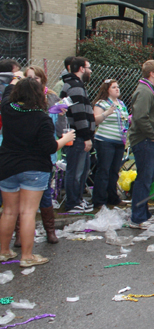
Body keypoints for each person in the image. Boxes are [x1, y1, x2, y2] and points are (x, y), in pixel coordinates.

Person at [0, 78, 75, 266]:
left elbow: (6, 95)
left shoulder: (8, 110)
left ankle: (3, 251)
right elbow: (49, 147)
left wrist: (15, 79)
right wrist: (65, 138)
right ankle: (26, 256)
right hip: (34, 168)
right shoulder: (41, 118)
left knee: (8, 211)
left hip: (7, 166)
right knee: (27, 212)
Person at [14, 66, 64, 245]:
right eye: (29, 78)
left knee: (45, 194)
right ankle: (19, 234)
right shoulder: (19, 101)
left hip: (46, 153)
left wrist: (60, 113)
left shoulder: (51, 98)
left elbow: (58, 128)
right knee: (22, 197)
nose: (32, 81)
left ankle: (50, 231)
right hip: (26, 155)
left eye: (35, 78)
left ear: (42, 79)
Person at [127, 60, 154, 229]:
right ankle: (137, 217)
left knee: (147, 178)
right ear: (152, 74)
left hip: (147, 140)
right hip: (144, 141)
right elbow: (140, 117)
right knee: (144, 178)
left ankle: (144, 213)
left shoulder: (149, 90)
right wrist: (153, 136)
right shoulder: (144, 92)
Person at [60, 57, 95, 214]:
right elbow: (79, 115)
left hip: (78, 136)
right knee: (76, 171)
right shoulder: (75, 87)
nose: (90, 71)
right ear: (81, 69)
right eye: (88, 68)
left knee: (82, 169)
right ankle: (72, 202)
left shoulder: (74, 85)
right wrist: (86, 136)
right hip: (78, 137)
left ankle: (78, 199)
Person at [91, 79, 130, 208]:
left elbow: (124, 119)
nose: (117, 89)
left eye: (118, 87)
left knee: (114, 171)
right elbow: (95, 120)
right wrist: (106, 113)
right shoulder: (101, 103)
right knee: (104, 170)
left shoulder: (121, 103)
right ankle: (99, 200)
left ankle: (112, 197)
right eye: (113, 87)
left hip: (119, 141)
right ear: (107, 89)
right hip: (105, 140)